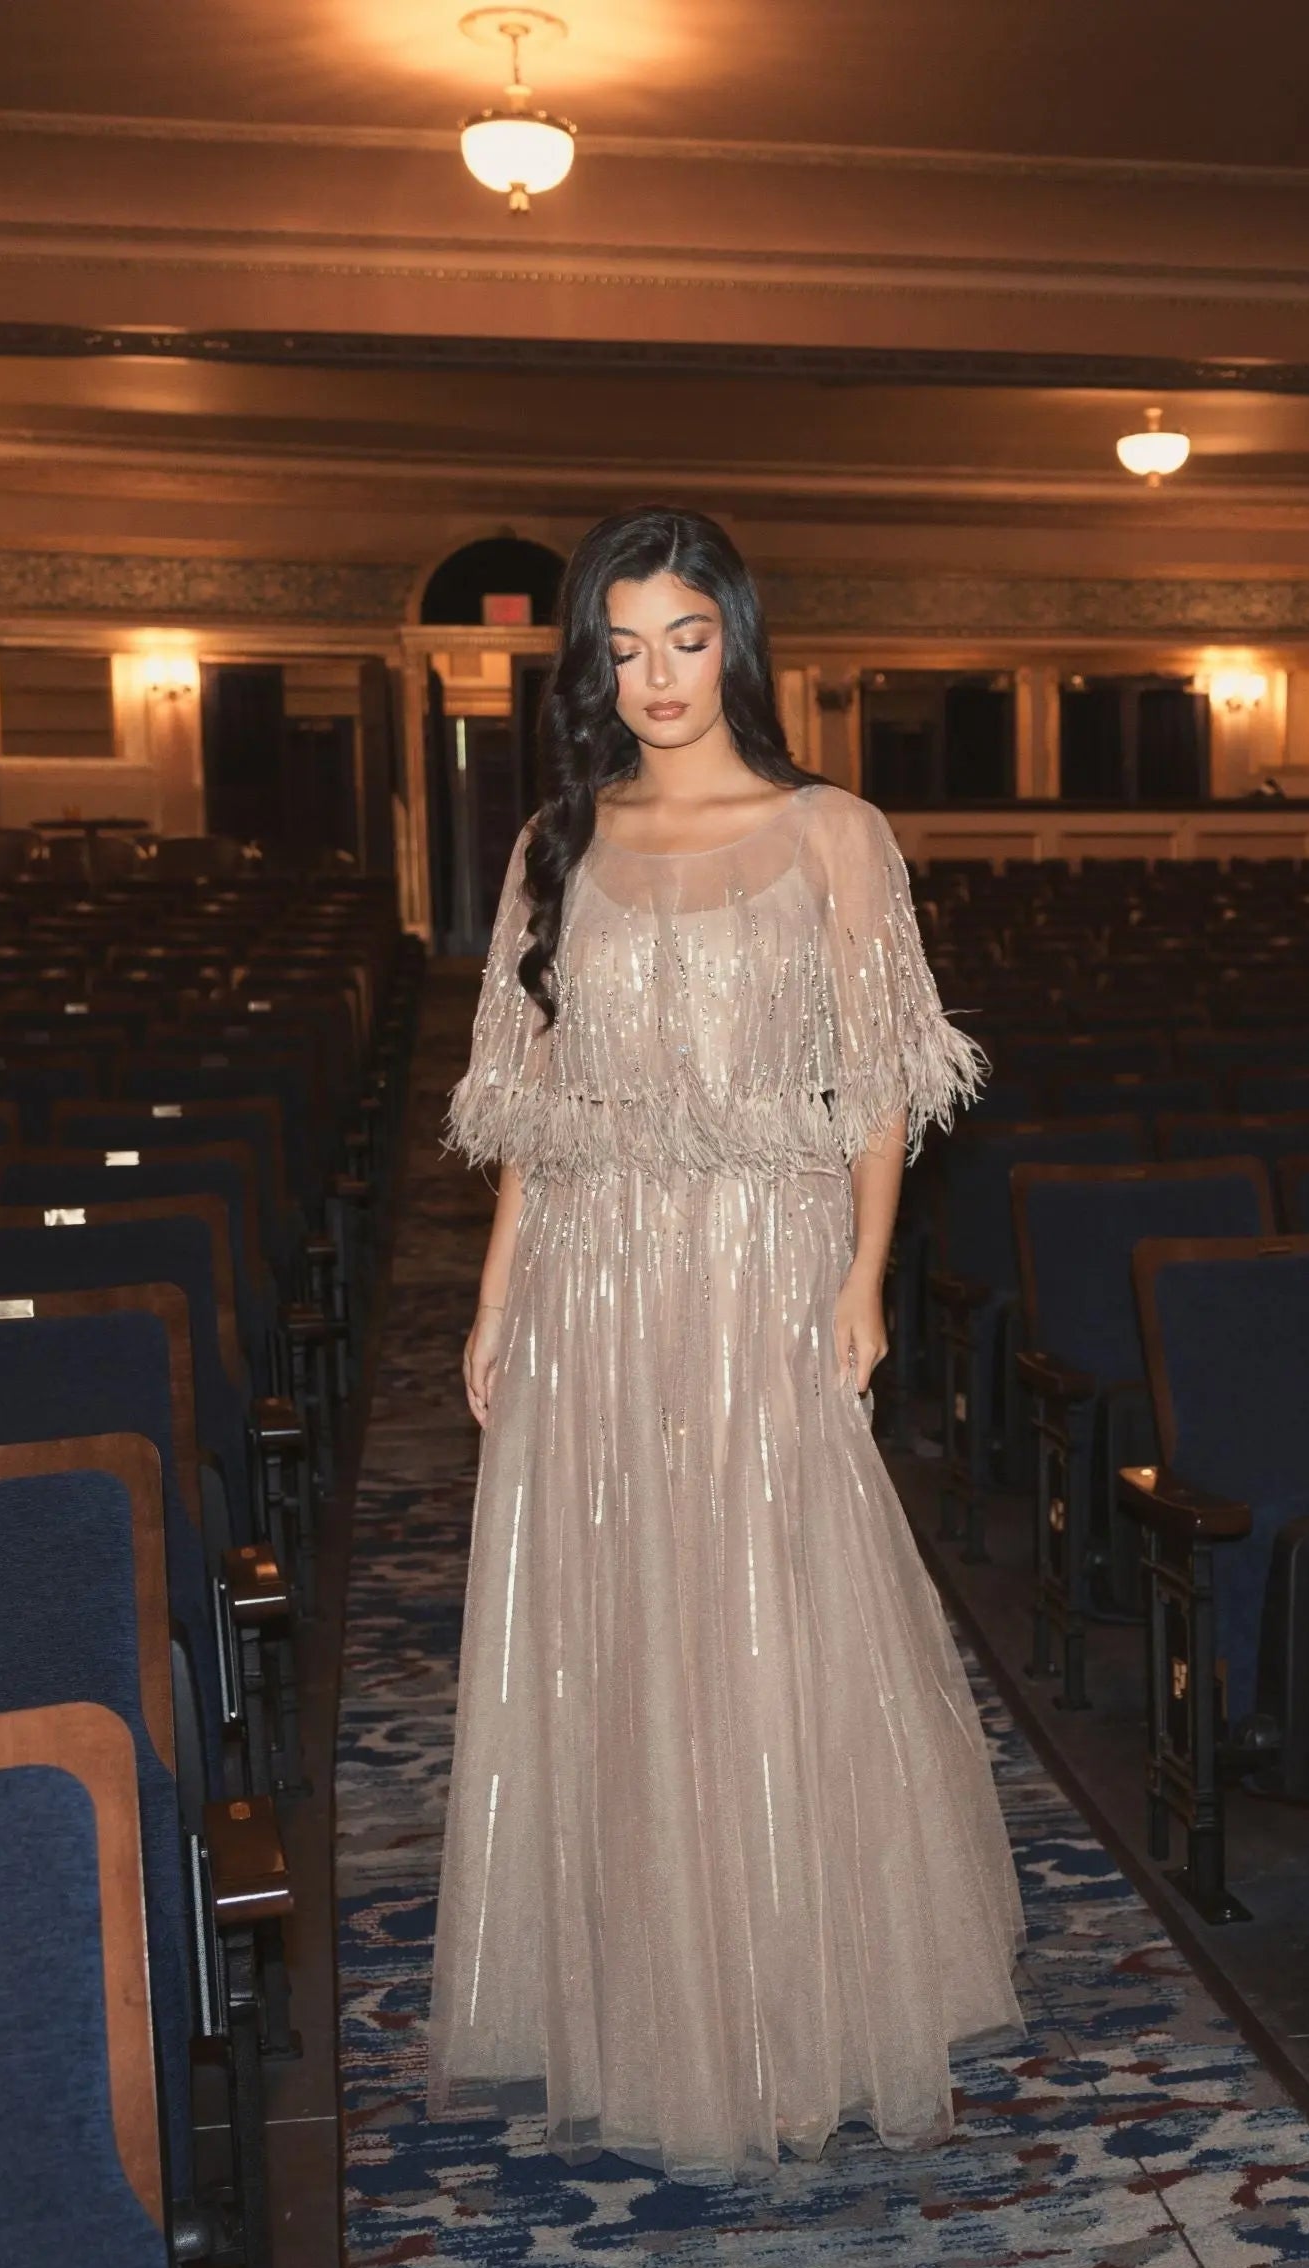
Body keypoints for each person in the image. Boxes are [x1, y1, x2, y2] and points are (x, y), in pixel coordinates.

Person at [430, 505, 1025, 2183]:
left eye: (684, 637)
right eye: (620, 647)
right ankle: (647, 2015)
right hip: (593, 1290)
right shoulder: (556, 847)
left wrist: (862, 1279)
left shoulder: (836, 830)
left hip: (765, 1265)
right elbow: (530, 1115)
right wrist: (490, 1308)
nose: (655, 677)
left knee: (770, 1619)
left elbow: (883, 1079)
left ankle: (793, 2016)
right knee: (618, 1630)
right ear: (587, 668)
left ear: (738, 640)